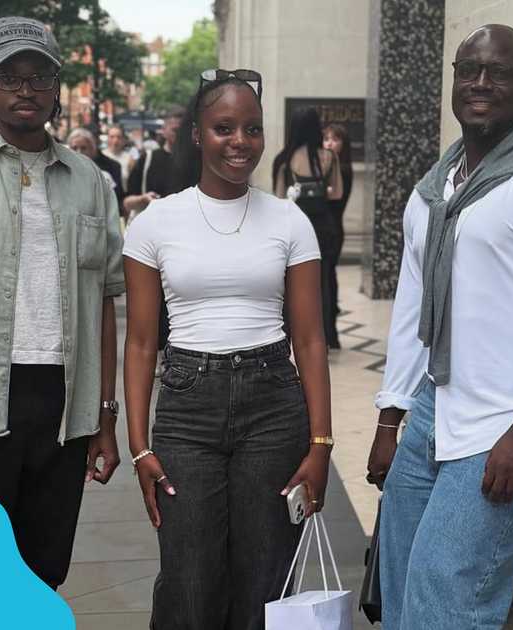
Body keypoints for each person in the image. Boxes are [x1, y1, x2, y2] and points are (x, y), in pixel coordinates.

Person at [366, 24, 513, 629]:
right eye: (468, 69)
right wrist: (391, 415)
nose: (480, 83)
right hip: (433, 409)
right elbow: (410, 307)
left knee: (446, 599)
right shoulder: (433, 191)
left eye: (499, 73)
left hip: (510, 421)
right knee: (399, 590)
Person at [122, 68, 334, 629]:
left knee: (266, 581)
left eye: (252, 129)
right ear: (197, 134)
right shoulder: (154, 224)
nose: (240, 142)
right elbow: (142, 342)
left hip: (273, 404)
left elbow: (310, 340)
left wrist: (321, 444)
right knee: (189, 582)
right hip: (187, 408)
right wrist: (139, 446)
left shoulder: (290, 221)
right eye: (224, 128)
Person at [0, 16, 124, 588]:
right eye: (9, 75)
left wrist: (104, 419)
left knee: (44, 573)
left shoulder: (88, 179)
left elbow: (106, 303)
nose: (25, 89)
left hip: (63, 410)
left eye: (39, 75)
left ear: (57, 86)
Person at [272, 109, 343, 349]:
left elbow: (279, 198)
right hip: (323, 227)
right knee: (322, 283)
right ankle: (323, 337)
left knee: (290, 284)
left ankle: (287, 335)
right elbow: (338, 193)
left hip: (295, 228)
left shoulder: (284, 160)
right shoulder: (328, 157)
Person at [124, 105, 184, 220]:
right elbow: (127, 203)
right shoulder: (148, 158)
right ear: (164, 130)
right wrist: (142, 199)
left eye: (184, 130)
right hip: (152, 229)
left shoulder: (198, 161)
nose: (180, 135)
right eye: (175, 130)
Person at [323, 123, 353, 311]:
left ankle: (331, 307)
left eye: (335, 139)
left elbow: (333, 197)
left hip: (333, 229)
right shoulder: (329, 167)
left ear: (343, 144)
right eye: (326, 139)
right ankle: (331, 307)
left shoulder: (342, 169)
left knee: (328, 272)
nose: (329, 144)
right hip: (331, 228)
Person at [67, 127, 124, 212]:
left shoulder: (104, 175)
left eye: (83, 148)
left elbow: (115, 203)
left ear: (92, 150)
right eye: (74, 148)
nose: (78, 152)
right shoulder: (62, 172)